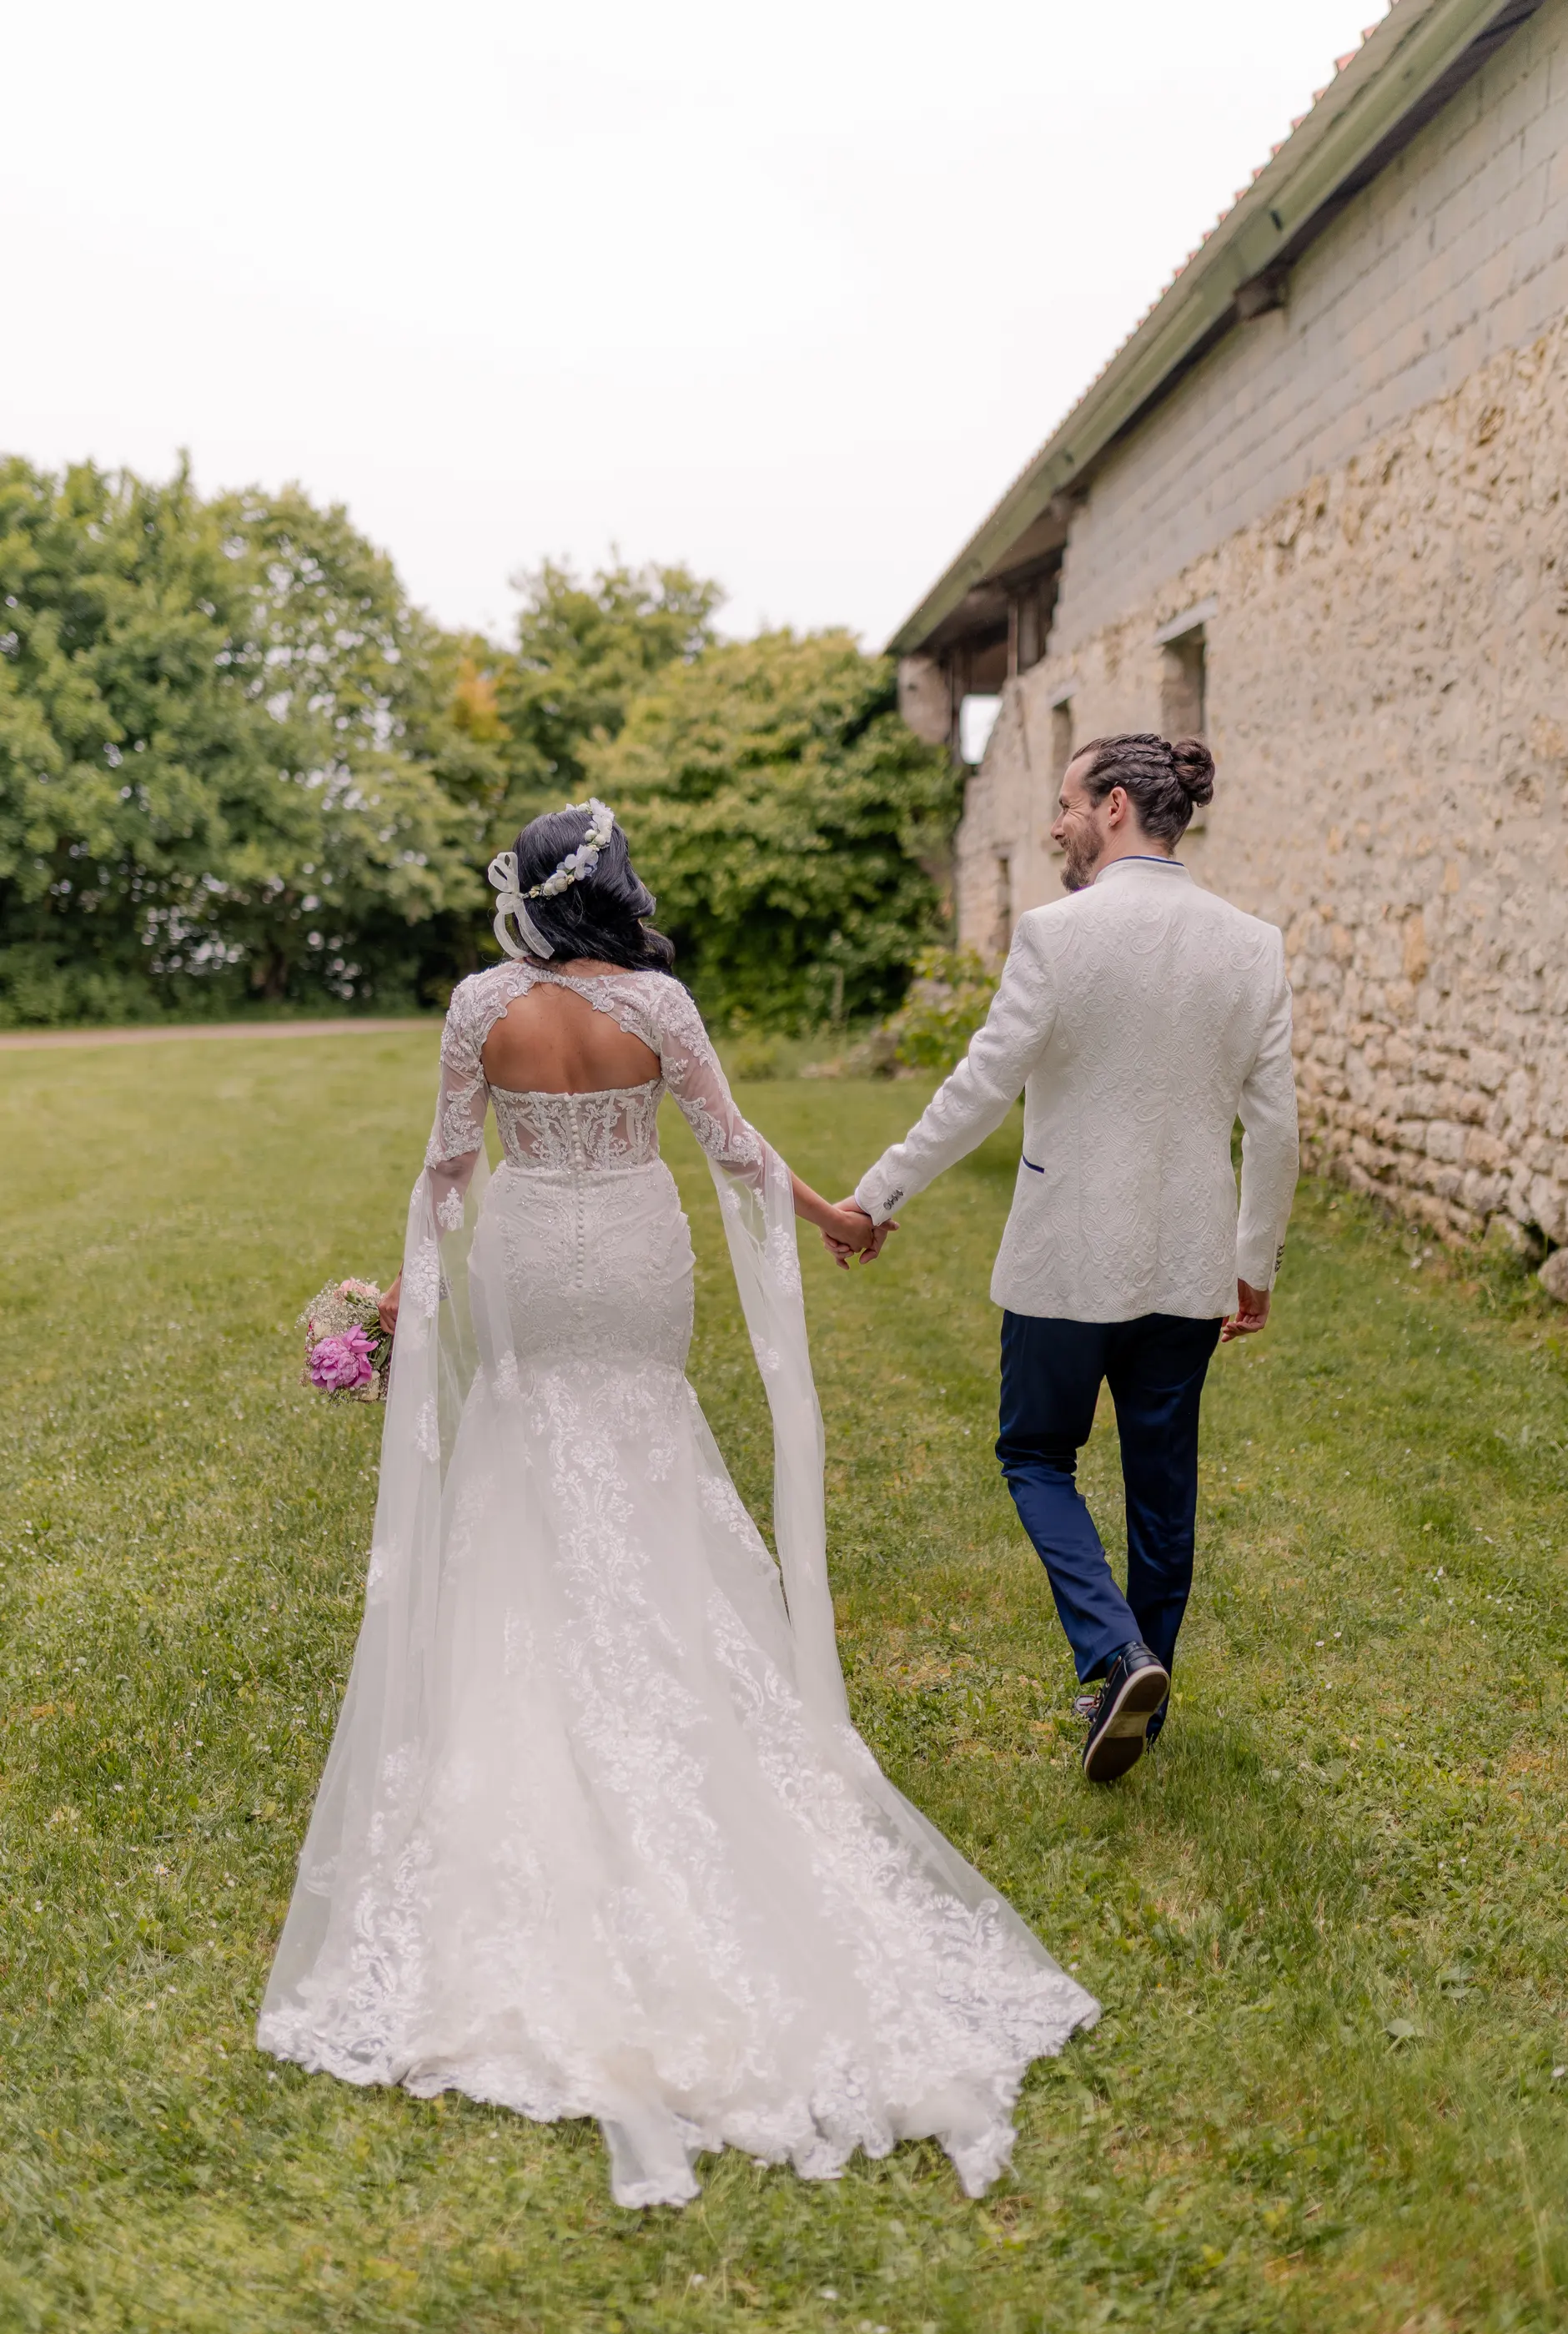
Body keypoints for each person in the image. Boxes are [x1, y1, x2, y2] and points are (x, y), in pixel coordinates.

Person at [259, 800, 1098, 2209]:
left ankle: (539, 1724)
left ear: (527, 895)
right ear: (618, 890)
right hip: (635, 1255)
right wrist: (837, 1217)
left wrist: (400, 1304)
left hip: (533, 1249)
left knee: (529, 1454)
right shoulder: (660, 1002)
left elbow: (450, 1177)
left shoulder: (480, 1008)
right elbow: (731, 1149)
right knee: (645, 1445)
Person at [838, 736, 1299, 1785]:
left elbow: (979, 1088)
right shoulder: (1252, 944)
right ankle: (1136, 1695)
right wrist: (1252, 1262)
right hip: (1187, 1265)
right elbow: (1274, 1131)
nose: (1053, 824)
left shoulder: (1054, 934)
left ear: (1116, 806)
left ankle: (1113, 1656)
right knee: (1160, 1491)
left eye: (1063, 805)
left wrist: (875, 1197)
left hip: (1063, 1260)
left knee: (1036, 1455)